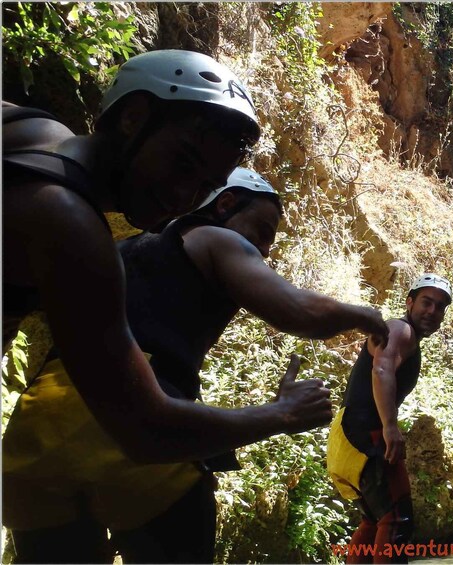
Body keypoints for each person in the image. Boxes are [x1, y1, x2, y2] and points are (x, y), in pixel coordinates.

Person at [4, 167, 389, 563]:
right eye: (262, 230)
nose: (264, 250)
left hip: (36, 431)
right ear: (224, 204)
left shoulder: (120, 249)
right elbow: (300, 311)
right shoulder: (215, 238)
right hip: (137, 415)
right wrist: (368, 317)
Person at [2, 49, 332, 469]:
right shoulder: (75, 231)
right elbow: (147, 431)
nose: (183, 196)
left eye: (204, 185)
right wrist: (283, 413)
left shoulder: (30, 127)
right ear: (133, 118)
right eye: (182, 162)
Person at [327, 274, 452, 564]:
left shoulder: (403, 334)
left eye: (441, 307)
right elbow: (381, 370)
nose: (433, 311)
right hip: (366, 433)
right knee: (397, 521)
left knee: (375, 520)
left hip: (347, 433)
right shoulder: (400, 329)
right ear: (409, 302)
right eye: (426, 302)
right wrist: (390, 426)